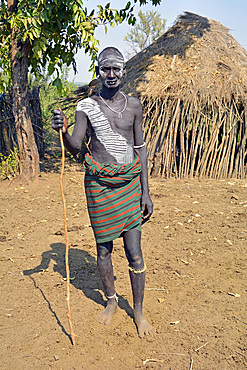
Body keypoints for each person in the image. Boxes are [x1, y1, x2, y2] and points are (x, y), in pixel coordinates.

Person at [51, 47, 155, 338]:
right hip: (98, 186)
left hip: (129, 185)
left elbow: (140, 149)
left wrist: (146, 192)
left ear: (123, 71)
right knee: (103, 249)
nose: (111, 74)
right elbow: (75, 147)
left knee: (134, 250)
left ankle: (138, 311)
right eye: (105, 69)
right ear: (98, 71)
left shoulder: (134, 105)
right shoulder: (87, 106)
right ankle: (111, 302)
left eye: (116, 69)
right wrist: (63, 131)